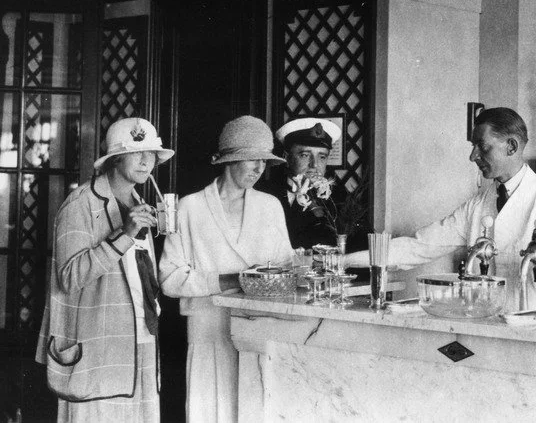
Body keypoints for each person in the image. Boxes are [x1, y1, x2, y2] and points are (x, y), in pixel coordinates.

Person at [346, 107, 536, 318]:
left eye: (482, 147)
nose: (473, 155)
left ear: (512, 146)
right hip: (493, 327)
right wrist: (342, 261)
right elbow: (418, 246)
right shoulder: (478, 205)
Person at [35, 117, 174, 422]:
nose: (145, 161)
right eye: (136, 153)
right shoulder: (81, 204)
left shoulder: (140, 204)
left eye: (151, 154)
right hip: (97, 350)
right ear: (114, 158)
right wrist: (124, 235)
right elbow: (69, 277)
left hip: (140, 344)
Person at [158, 115, 294, 423]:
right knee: (210, 411)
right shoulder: (189, 208)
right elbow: (169, 278)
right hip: (208, 330)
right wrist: (233, 279)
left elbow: (286, 270)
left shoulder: (270, 206)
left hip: (259, 329)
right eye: (252, 160)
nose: (259, 169)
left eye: (264, 161)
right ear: (229, 160)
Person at [258, 117, 344, 249]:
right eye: (305, 155)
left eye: (322, 157)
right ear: (287, 157)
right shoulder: (265, 192)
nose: (314, 165)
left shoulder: (337, 193)